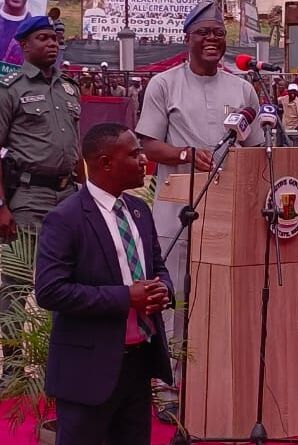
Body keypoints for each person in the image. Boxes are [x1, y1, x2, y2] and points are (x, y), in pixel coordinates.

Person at [135, 0, 263, 413]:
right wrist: (186, 154)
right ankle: (167, 389)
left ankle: (216, 385)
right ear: (187, 38)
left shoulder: (242, 88)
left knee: (222, 296)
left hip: (229, 208)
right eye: (203, 33)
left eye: (218, 33)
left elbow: (256, 148)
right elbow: (147, 144)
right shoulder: (164, 84)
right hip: (177, 208)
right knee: (173, 297)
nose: (212, 40)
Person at [35, 123, 173, 445]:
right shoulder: (65, 219)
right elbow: (50, 291)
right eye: (134, 154)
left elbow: (158, 266)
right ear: (106, 162)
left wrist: (162, 289)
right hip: (88, 372)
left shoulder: (139, 211)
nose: (144, 160)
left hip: (138, 365)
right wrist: (126, 297)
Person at [0, 16, 84, 383]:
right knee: (16, 284)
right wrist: (1, 207)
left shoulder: (69, 88)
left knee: (68, 280)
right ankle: (13, 370)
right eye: (43, 38)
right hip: (27, 196)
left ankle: (60, 365)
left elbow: (76, 148)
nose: (52, 44)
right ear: (23, 45)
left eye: (55, 38)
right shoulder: (10, 90)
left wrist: (87, 196)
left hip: (68, 195)